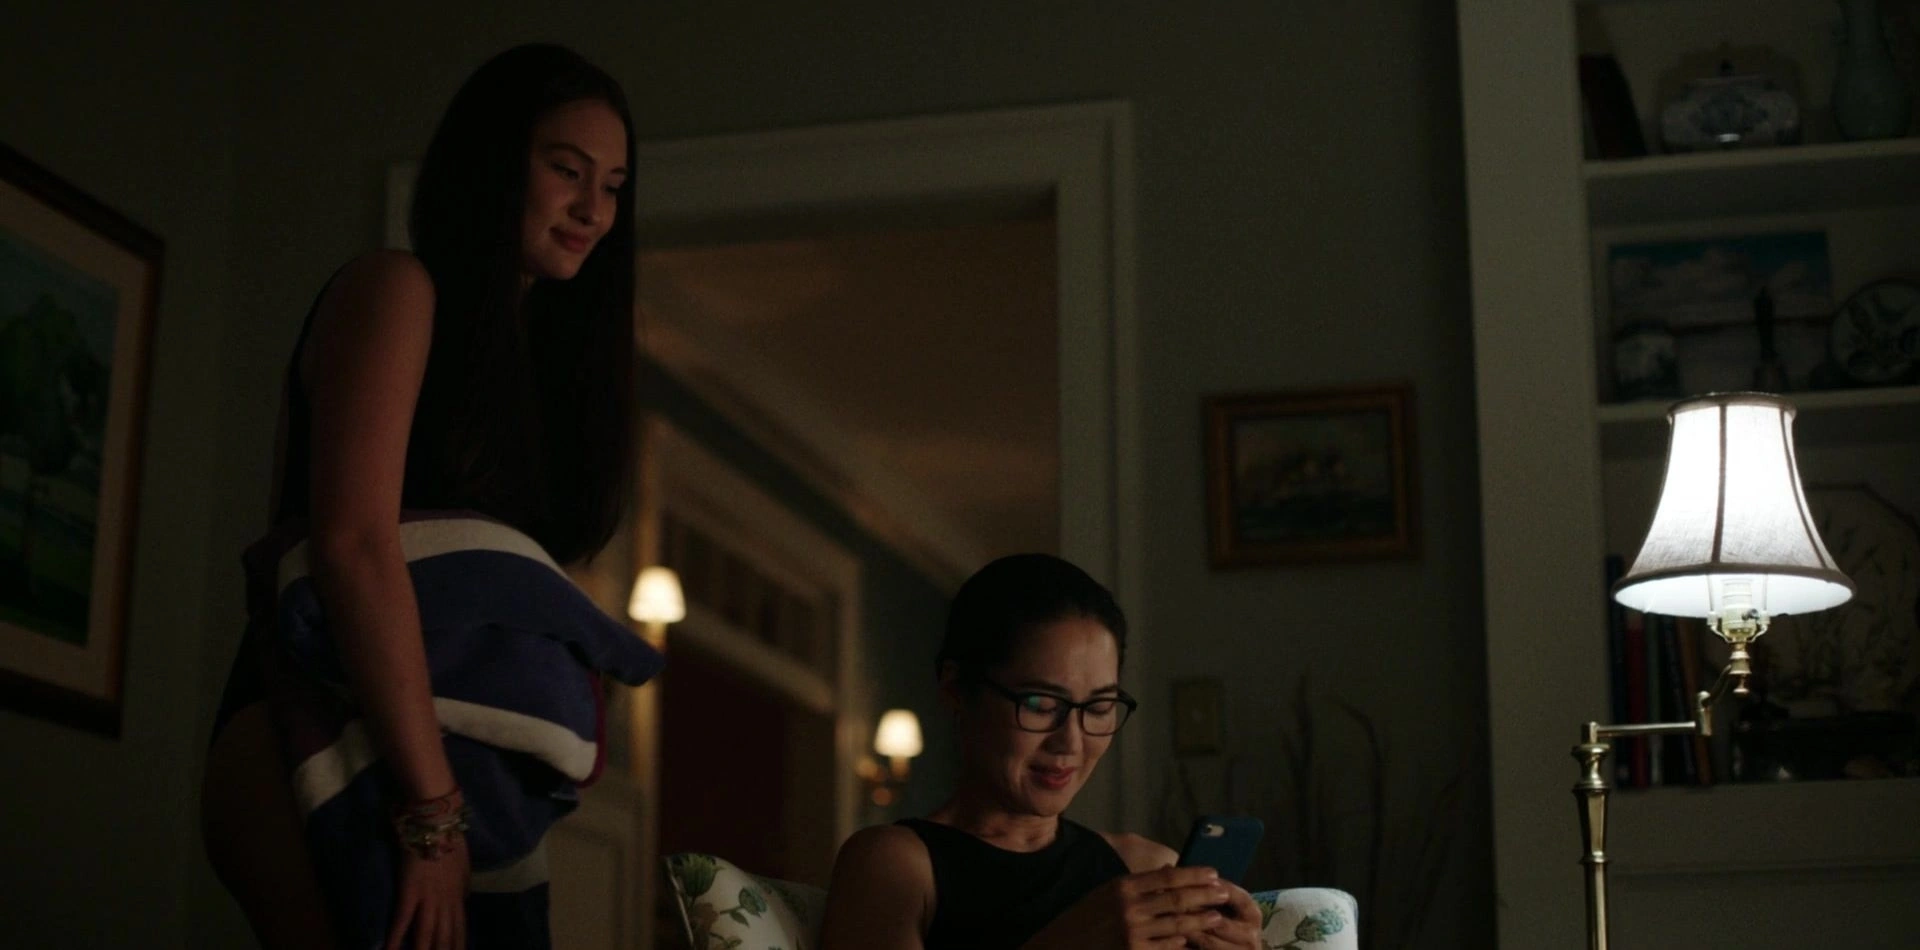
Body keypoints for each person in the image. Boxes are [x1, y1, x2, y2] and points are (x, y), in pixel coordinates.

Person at [199, 44, 655, 950]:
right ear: (494, 162)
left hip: (447, 773)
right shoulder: (398, 290)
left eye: (612, 186)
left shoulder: (546, 366)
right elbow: (354, 545)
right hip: (322, 731)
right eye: (566, 171)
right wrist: (432, 811)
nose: (593, 210)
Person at [819, 554, 1264, 950]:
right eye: (1040, 704)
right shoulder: (896, 864)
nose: (1070, 742)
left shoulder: (1146, 869)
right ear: (956, 689)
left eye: (1099, 707)